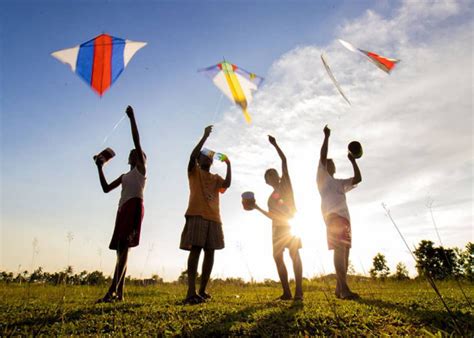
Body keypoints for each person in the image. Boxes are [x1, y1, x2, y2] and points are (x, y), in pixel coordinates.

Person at [95, 105, 146, 303]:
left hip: (134, 207)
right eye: (133, 153)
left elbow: (137, 141)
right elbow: (106, 188)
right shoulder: (125, 175)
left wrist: (132, 118)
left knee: (124, 248)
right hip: (123, 209)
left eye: (139, 153)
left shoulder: (141, 171)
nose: (135, 153)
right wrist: (99, 168)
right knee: (120, 251)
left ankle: (111, 293)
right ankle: (120, 295)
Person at [180, 125, 231, 304]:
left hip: (214, 218)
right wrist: (204, 137)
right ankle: (190, 292)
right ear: (199, 159)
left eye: (210, 157)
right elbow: (192, 156)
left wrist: (228, 164)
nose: (208, 159)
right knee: (196, 250)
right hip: (197, 214)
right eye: (205, 156)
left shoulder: (216, 178)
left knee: (210, 252)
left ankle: (202, 290)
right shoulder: (194, 171)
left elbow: (228, 184)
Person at [254, 135, 303, 301]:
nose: (271, 175)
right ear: (267, 182)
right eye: (268, 175)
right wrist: (256, 207)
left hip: (291, 226)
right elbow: (271, 216)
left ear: (278, 176)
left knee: (294, 254)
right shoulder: (269, 199)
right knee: (277, 257)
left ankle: (299, 292)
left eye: (273, 173)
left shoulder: (286, 183)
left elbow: (284, 159)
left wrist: (275, 144)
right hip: (277, 229)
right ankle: (287, 292)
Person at [317, 125, 361, 300]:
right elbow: (322, 155)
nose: (331, 163)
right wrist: (327, 137)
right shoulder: (322, 177)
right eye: (328, 162)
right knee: (339, 249)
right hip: (332, 217)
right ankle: (344, 290)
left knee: (345, 252)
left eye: (332, 162)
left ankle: (338, 288)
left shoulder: (340, 183)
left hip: (345, 219)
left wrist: (353, 161)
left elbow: (358, 179)